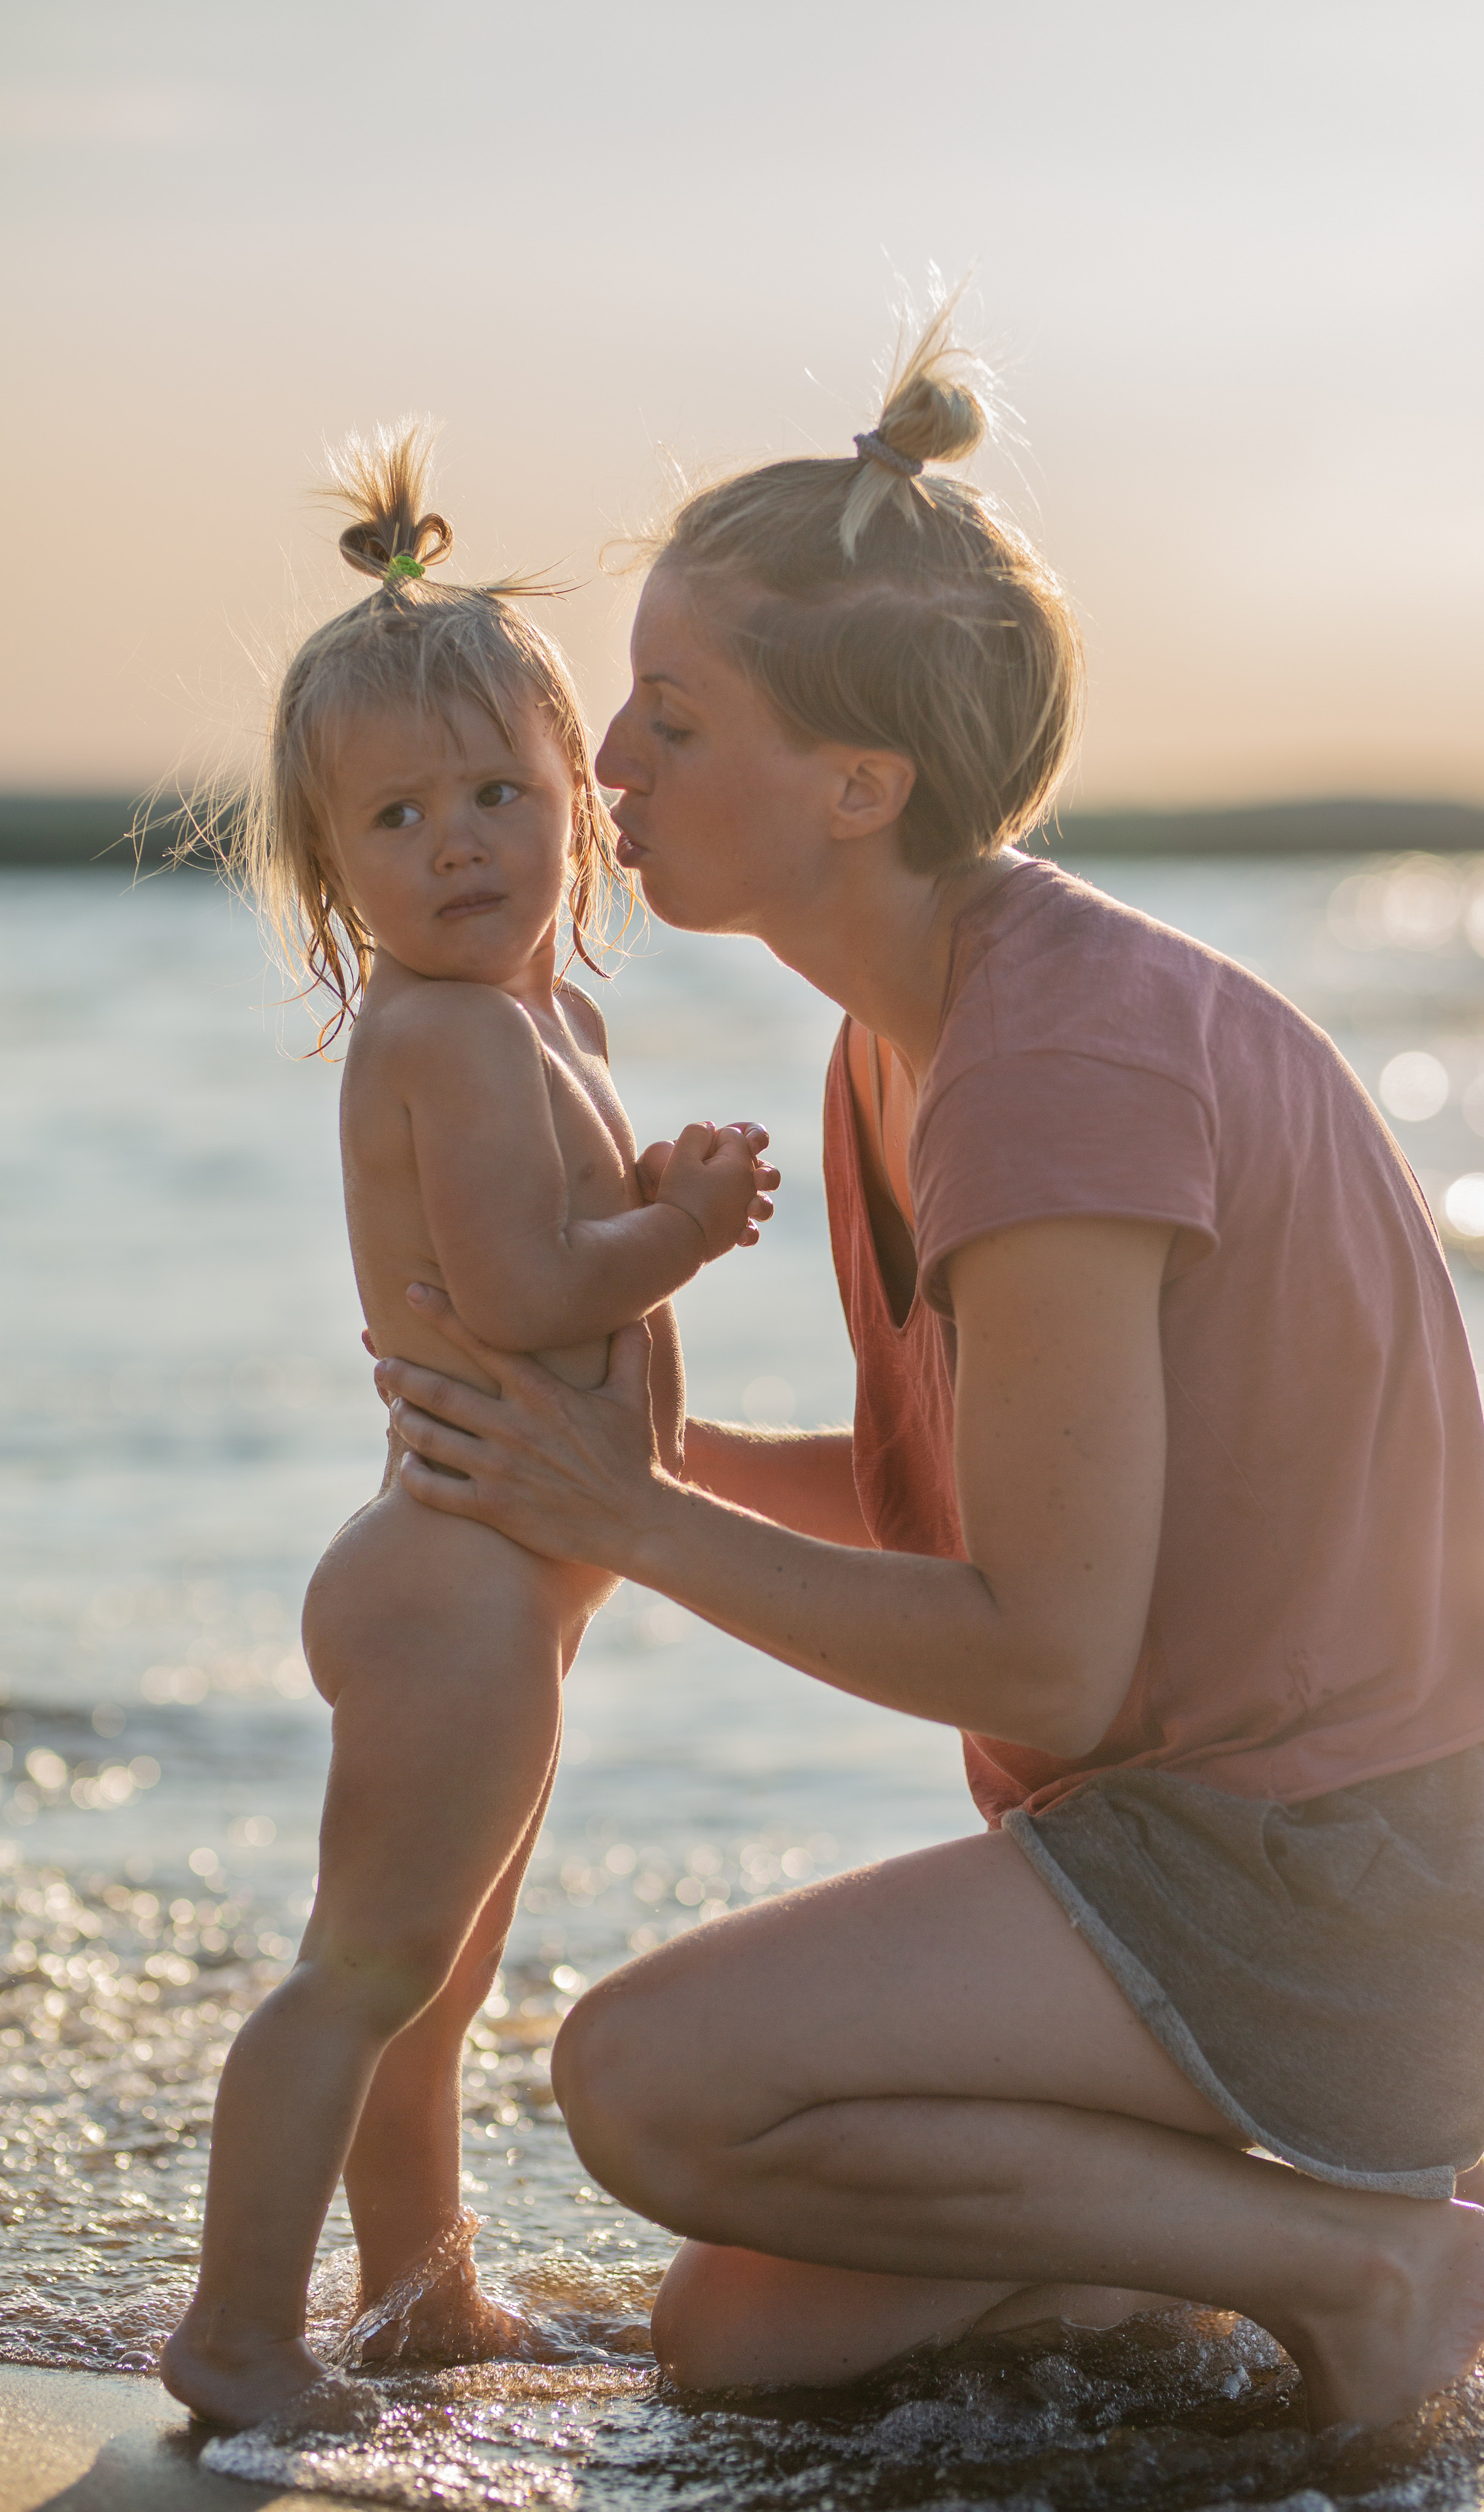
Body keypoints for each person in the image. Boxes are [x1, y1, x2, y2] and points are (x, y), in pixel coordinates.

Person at [371, 308, 1484, 2432]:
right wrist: (644, 1452)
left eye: (671, 717)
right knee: (743, 2338)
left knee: (643, 2083)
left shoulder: (1051, 1075)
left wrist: (628, 1525)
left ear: (861, 784)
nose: (608, 770)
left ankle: (1363, 2257)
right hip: (1251, 1856)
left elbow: (1037, 1657)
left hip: (1362, 1881)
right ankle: (1268, 2197)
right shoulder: (910, 1031)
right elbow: (960, 1506)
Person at [161, 429, 777, 2434]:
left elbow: (543, 1237)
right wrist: (680, 1228)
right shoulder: (432, 1030)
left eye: (501, 792)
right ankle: (238, 2333)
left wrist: (641, 1191)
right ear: (329, 874)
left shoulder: (548, 1025)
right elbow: (521, 1297)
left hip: (513, 1582)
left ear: (577, 811)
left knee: (435, 1993)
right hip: (449, 1584)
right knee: (365, 1972)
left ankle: (421, 2303)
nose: (459, 844)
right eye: (399, 817)